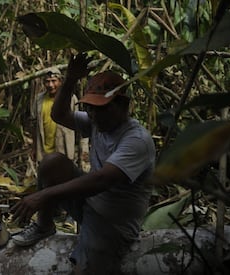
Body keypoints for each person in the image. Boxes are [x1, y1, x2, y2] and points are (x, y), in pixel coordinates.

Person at [11, 53, 156, 274]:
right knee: (52, 162)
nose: (94, 115)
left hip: (113, 223)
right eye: (91, 108)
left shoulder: (136, 140)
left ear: (123, 106)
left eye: (102, 108)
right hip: (89, 203)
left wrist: (43, 195)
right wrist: (70, 79)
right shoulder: (97, 122)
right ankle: (44, 226)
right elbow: (59, 115)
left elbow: (102, 180)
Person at [33, 68, 78, 162]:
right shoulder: (39, 100)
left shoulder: (71, 99)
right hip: (44, 152)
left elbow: (79, 126)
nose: (50, 85)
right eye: (47, 82)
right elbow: (35, 125)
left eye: (54, 81)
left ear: (60, 82)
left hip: (63, 151)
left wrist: (83, 152)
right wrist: (34, 149)